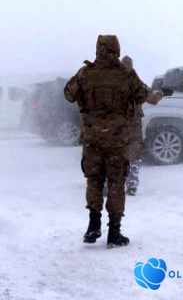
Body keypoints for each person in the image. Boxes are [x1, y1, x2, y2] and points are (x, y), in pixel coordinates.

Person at [64, 35, 149, 247]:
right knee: (116, 184)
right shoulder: (126, 74)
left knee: (94, 181)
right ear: (117, 50)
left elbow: (68, 94)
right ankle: (114, 232)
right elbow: (141, 95)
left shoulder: (85, 72)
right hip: (117, 140)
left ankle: (93, 226)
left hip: (92, 139)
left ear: (97, 49)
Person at [121, 56, 164, 196]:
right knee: (134, 154)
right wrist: (162, 92)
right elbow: (152, 99)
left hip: (115, 124)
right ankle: (132, 183)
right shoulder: (137, 83)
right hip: (133, 123)